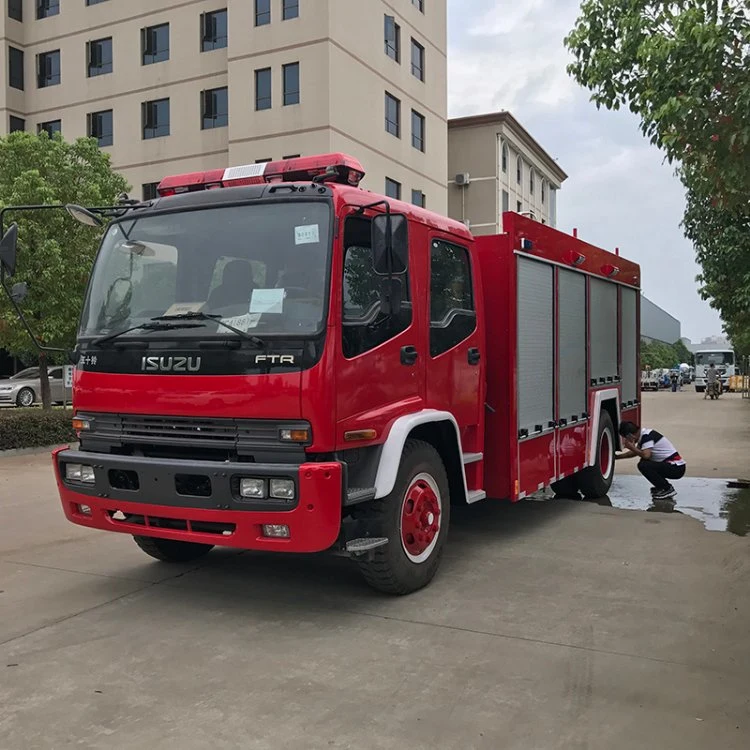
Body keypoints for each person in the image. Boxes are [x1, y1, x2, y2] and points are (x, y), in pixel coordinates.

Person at [616, 421, 686, 500]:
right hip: (673, 466)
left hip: (676, 468)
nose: (626, 440)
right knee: (644, 463)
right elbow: (633, 453)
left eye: (626, 438)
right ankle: (661, 487)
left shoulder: (647, 436)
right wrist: (617, 457)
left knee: (643, 465)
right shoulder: (643, 436)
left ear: (630, 435)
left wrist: (632, 447)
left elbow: (646, 455)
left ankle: (667, 488)